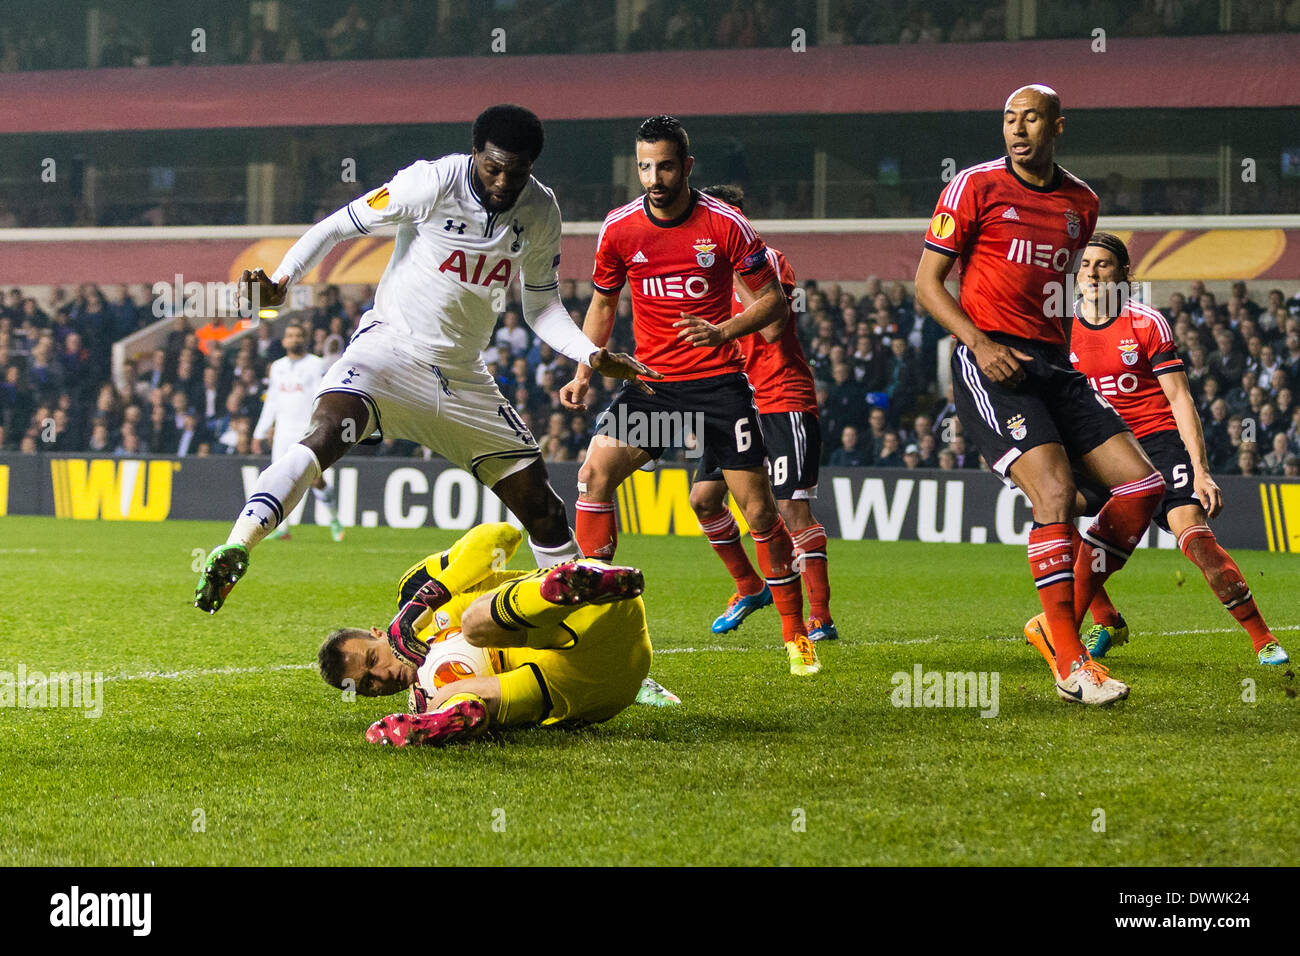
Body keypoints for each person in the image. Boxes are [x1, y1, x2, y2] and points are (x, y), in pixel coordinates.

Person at [193, 104, 653, 615]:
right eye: (493, 167)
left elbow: (541, 305)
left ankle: (591, 641)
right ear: (475, 152)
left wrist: (590, 353)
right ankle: (239, 543)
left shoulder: (541, 210)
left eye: (516, 172)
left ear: (531, 167)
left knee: (544, 509)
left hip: (463, 378)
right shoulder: (432, 182)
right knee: (323, 435)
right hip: (389, 351)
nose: (503, 182)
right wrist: (282, 280)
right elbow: (339, 225)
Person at [913, 84, 1165, 705]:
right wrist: (981, 343)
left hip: (1056, 363)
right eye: (1008, 119)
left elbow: (1056, 294)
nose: (1017, 129)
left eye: (1031, 119)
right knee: (1055, 492)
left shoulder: (1083, 202)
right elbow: (926, 284)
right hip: (990, 359)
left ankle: (1054, 626)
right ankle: (1071, 663)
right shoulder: (974, 186)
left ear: (1057, 126)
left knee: (1141, 488)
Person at [560, 116, 819, 676]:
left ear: (688, 166)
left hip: (721, 391)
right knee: (592, 477)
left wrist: (723, 332)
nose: (654, 177)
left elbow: (772, 301)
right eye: (645, 166)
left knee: (759, 511)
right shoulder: (620, 228)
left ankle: (796, 633)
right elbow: (604, 304)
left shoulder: (724, 225)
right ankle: (595, 618)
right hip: (656, 392)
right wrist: (584, 369)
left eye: (666, 166)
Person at [1067, 233, 1288, 666]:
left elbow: (1180, 399)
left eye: (1103, 264)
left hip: (1157, 444)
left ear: (1123, 274)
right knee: (1053, 515)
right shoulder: (1060, 331)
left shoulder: (1146, 323)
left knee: (1197, 541)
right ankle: (1105, 617)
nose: (1092, 272)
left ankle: (1263, 639)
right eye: (1086, 264)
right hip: (1102, 448)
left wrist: (1201, 470)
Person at [316, 523, 660, 747]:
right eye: (368, 686)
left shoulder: (413, 591)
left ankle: (568, 587)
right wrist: (433, 707)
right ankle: (439, 723)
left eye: (373, 659)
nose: (383, 676)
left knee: (474, 623)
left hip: (592, 616)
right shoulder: (424, 698)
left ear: (378, 632)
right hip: (587, 687)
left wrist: (424, 600)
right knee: (449, 698)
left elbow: (503, 536)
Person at [686, 184, 837, 642]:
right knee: (703, 500)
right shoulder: (700, 276)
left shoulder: (769, 262)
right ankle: (749, 587)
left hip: (781, 397)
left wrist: (733, 267)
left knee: (792, 508)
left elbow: (772, 329)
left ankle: (821, 619)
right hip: (733, 404)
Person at [251, 321, 344, 542]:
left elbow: (322, 396)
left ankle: (334, 518)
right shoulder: (277, 366)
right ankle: (283, 529)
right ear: (284, 341)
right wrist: (259, 432)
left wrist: (321, 427)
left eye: (298, 336)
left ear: (305, 339)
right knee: (279, 480)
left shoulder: (317, 364)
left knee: (315, 479)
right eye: (290, 335)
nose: (294, 339)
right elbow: (272, 400)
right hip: (283, 432)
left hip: (307, 430)